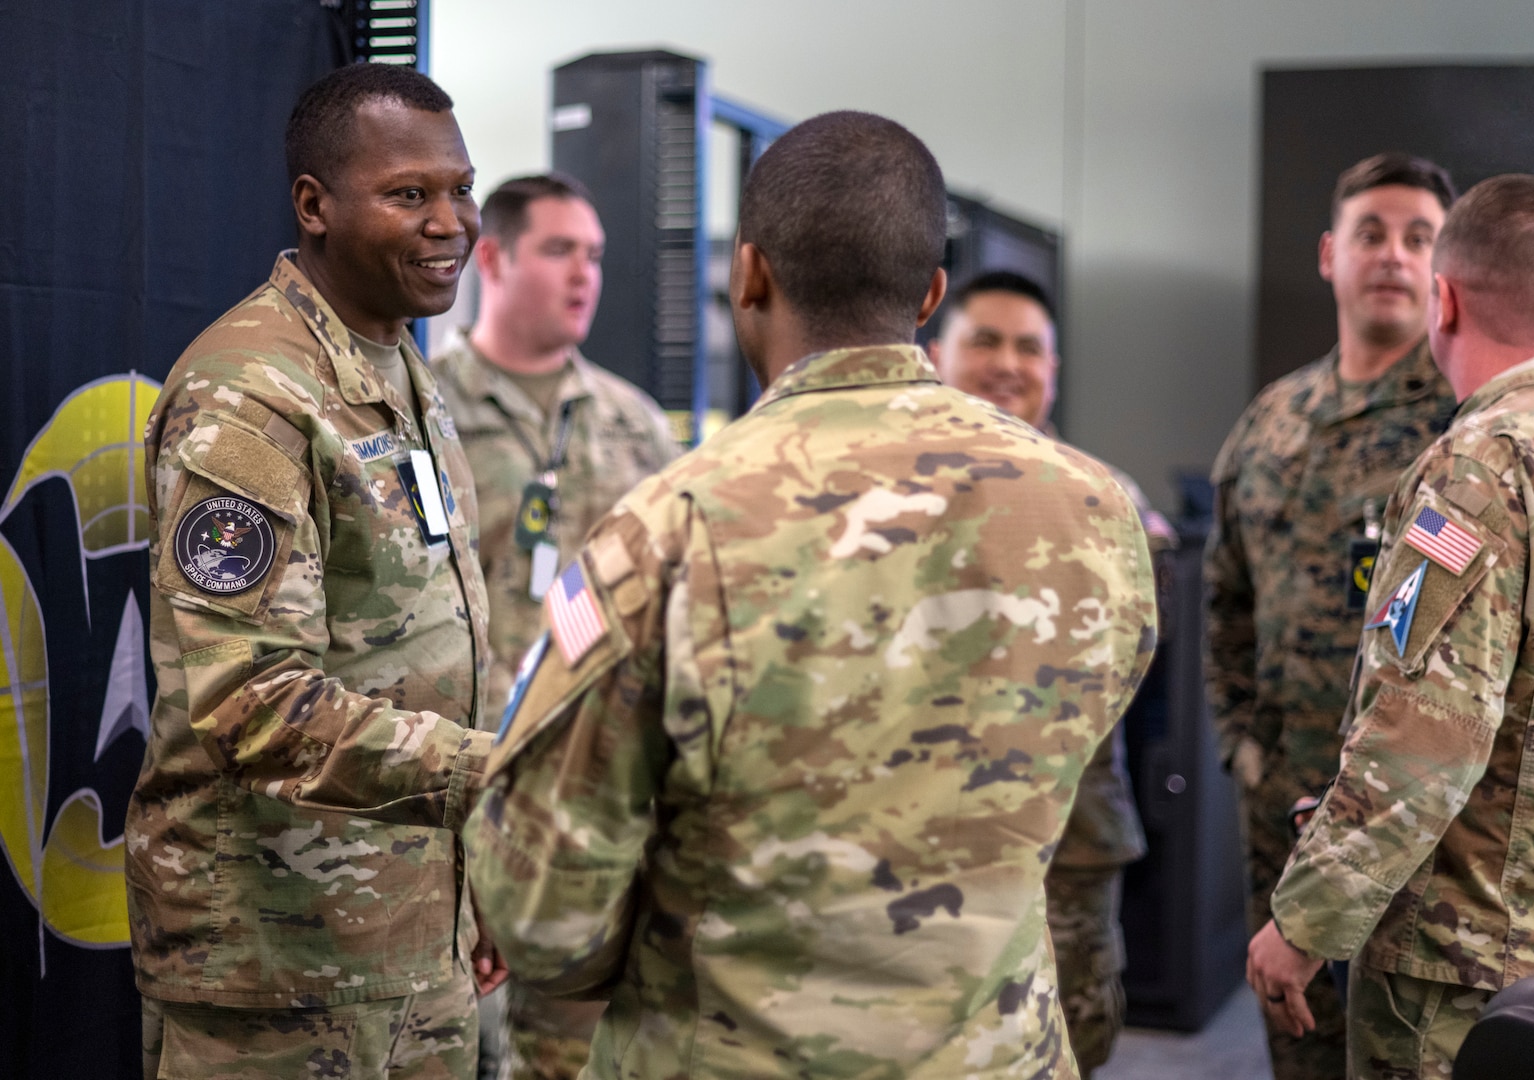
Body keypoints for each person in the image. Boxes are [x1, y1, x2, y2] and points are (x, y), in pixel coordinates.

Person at [463, 110, 1158, 1079]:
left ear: (747, 274)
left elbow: (541, 917)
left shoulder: (665, 528)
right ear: (932, 294)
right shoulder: (1094, 511)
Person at [127, 64, 503, 1080]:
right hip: (276, 977)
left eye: (461, 190)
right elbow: (253, 700)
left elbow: (438, 641)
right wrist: (497, 776)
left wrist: (484, 877)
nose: (451, 223)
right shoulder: (250, 394)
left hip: (416, 950)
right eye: (410, 194)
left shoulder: (397, 364)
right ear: (315, 206)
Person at [1248, 173, 1534, 1079]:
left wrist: (1303, 921)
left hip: (1466, 970)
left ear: (1442, 300)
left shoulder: (1477, 468)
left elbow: (1425, 738)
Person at [1205, 152, 1458, 1079]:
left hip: (1419, 815)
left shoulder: (1467, 422)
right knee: (1300, 1045)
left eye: (1419, 237)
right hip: (1284, 798)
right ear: (1328, 255)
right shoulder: (1271, 422)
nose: (1393, 255)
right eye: (1371, 233)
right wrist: (1242, 744)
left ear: (1445, 265)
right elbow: (1225, 599)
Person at [431, 173, 681, 1080]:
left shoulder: (637, 428)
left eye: (596, 256)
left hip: (600, 798)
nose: (585, 274)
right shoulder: (427, 409)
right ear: (490, 258)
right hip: (460, 784)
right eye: (559, 250)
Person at [929, 268, 1172, 1071]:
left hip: (1067, 841)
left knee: (1072, 1037)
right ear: (936, 356)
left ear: (1055, 369)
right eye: (985, 341)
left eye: (1028, 347)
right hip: (921, 841)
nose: (1007, 363)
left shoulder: (1106, 502)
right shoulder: (893, 497)